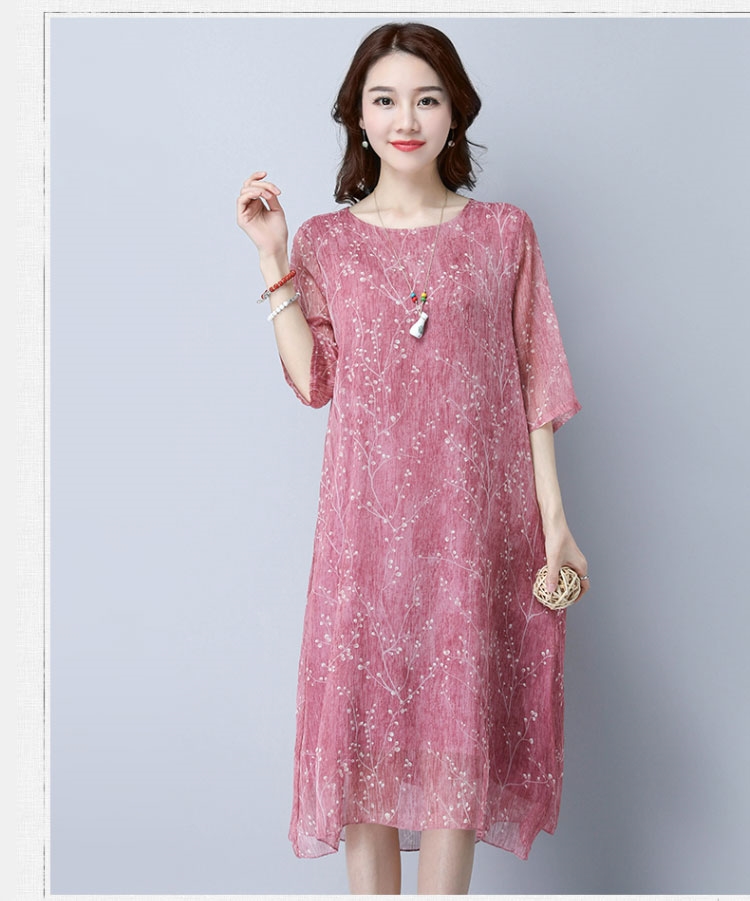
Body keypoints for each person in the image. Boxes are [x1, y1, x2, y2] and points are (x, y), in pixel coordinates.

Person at [236, 21, 589, 895]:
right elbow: (315, 380)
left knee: (453, 755)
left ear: (454, 112)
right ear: (357, 117)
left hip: (472, 540)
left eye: (426, 99)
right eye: (385, 100)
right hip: (364, 545)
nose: (406, 119)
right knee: (363, 752)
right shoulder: (328, 242)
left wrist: (555, 523)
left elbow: (536, 380)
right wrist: (275, 260)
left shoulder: (503, 234)